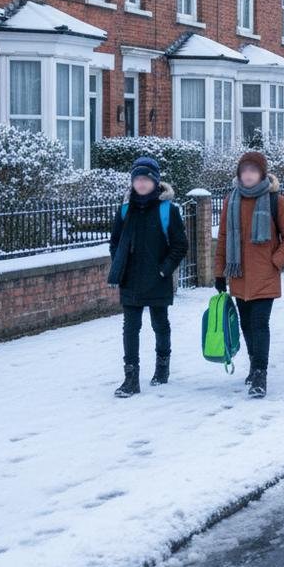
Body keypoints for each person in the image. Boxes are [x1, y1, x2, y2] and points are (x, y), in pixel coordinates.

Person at [214, 151, 284, 398]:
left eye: (253, 170)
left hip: (265, 275)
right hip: (239, 274)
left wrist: (276, 261)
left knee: (260, 324)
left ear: (262, 174)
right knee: (246, 324)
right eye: (244, 170)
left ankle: (260, 374)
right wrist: (219, 273)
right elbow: (223, 238)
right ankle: (253, 365)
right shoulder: (231, 200)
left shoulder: (276, 201)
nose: (248, 175)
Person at [109, 157, 188, 398]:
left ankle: (162, 367)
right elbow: (115, 243)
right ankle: (130, 378)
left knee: (159, 324)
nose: (141, 184)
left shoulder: (168, 210)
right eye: (137, 179)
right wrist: (120, 265)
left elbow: (180, 245)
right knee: (130, 327)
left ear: (155, 181)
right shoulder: (125, 210)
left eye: (145, 179)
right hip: (131, 278)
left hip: (157, 278)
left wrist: (164, 269)